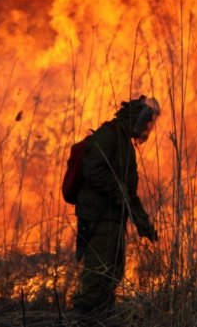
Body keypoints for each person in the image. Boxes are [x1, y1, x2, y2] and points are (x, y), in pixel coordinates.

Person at [73, 95, 160, 323]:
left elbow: (128, 193)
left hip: (113, 219)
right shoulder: (109, 135)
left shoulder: (124, 143)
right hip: (99, 217)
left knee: (113, 271)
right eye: (145, 122)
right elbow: (92, 169)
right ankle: (84, 318)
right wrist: (116, 188)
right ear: (135, 117)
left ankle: (101, 317)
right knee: (98, 271)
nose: (146, 128)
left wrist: (144, 224)